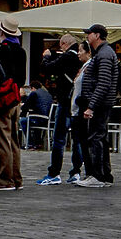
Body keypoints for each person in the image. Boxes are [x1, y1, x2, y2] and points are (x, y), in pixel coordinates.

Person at [71, 24, 119, 187]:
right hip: (102, 102)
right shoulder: (104, 53)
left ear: (97, 35)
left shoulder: (104, 54)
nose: (87, 36)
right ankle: (105, 175)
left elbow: (104, 83)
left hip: (100, 103)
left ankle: (97, 176)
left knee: (96, 138)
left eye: (89, 33)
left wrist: (91, 105)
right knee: (100, 138)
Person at [38, 34, 84, 186]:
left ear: (64, 44)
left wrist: (46, 56)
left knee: (59, 138)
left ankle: (54, 173)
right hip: (77, 103)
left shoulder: (66, 57)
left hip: (65, 101)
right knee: (77, 139)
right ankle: (76, 171)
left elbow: (47, 68)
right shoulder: (81, 58)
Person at [0, 19, 26, 190]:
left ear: (1, 32)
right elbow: (21, 78)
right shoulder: (21, 51)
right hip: (15, 99)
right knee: (13, 141)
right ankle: (16, 178)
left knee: (1, 141)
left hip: (1, 99)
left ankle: (5, 179)